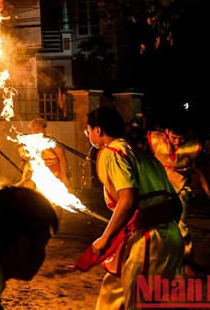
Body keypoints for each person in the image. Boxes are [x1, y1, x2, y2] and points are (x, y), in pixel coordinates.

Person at [76, 106, 183, 310]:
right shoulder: (143, 155)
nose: (88, 135)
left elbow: (128, 199)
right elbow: (175, 204)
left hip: (149, 240)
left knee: (141, 303)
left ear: (98, 130)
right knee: (112, 292)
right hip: (167, 236)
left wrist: (105, 238)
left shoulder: (112, 153)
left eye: (88, 130)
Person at [148, 117, 207, 270]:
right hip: (157, 188)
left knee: (180, 225)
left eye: (182, 139)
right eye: (174, 138)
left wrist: (203, 182)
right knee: (156, 226)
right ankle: (159, 261)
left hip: (181, 189)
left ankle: (187, 261)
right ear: (166, 132)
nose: (178, 142)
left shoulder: (193, 145)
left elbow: (197, 167)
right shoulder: (154, 140)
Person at [29, 118, 70, 188]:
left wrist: (64, 176)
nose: (35, 132)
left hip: (55, 174)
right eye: (34, 130)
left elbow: (62, 158)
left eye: (38, 129)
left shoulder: (51, 142)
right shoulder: (32, 142)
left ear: (44, 129)